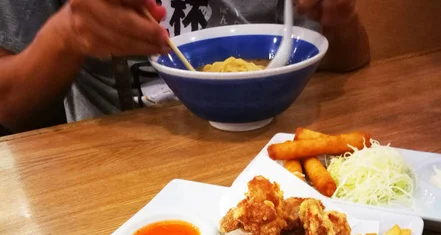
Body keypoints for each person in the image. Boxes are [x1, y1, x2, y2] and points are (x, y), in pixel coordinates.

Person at [0, 1, 370, 134]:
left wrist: (339, 14)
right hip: (119, 168)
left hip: (265, 146)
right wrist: (67, 34)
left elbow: (347, 61)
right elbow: (11, 107)